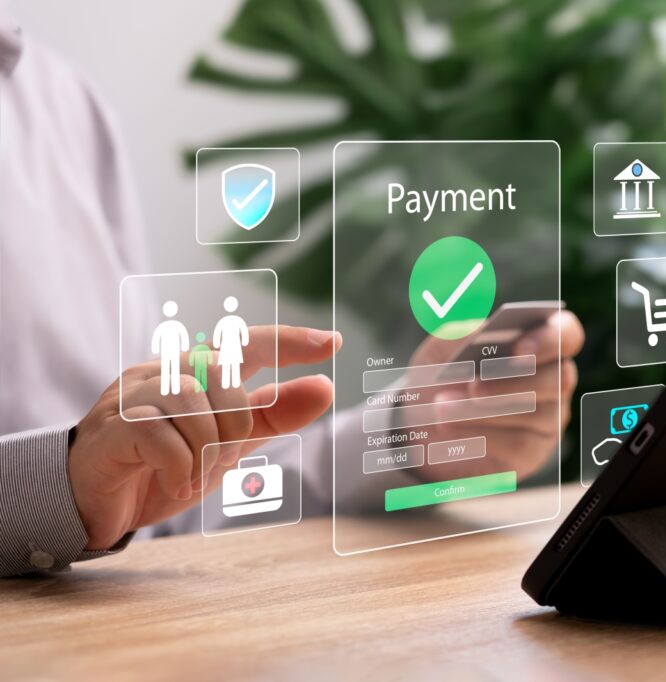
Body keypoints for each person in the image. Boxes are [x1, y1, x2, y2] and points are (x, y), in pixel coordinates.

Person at [0, 14, 583, 578]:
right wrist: (59, 489)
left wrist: (412, 438)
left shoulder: (59, 98)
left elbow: (155, 513)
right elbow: (93, 494)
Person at [151, 300, 190, 396]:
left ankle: (174, 388)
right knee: (166, 370)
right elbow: (156, 337)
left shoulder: (177, 325)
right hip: (165, 352)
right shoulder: (164, 326)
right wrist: (155, 348)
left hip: (174, 352)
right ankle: (166, 388)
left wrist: (184, 349)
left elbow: (183, 337)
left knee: (174, 370)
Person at [212, 296, 249, 390]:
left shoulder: (237, 320)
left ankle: (234, 382)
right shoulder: (224, 321)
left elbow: (244, 331)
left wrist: (244, 341)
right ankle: (226, 382)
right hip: (226, 346)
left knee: (235, 364)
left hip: (234, 346)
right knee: (226, 365)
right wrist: (216, 343)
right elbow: (218, 332)